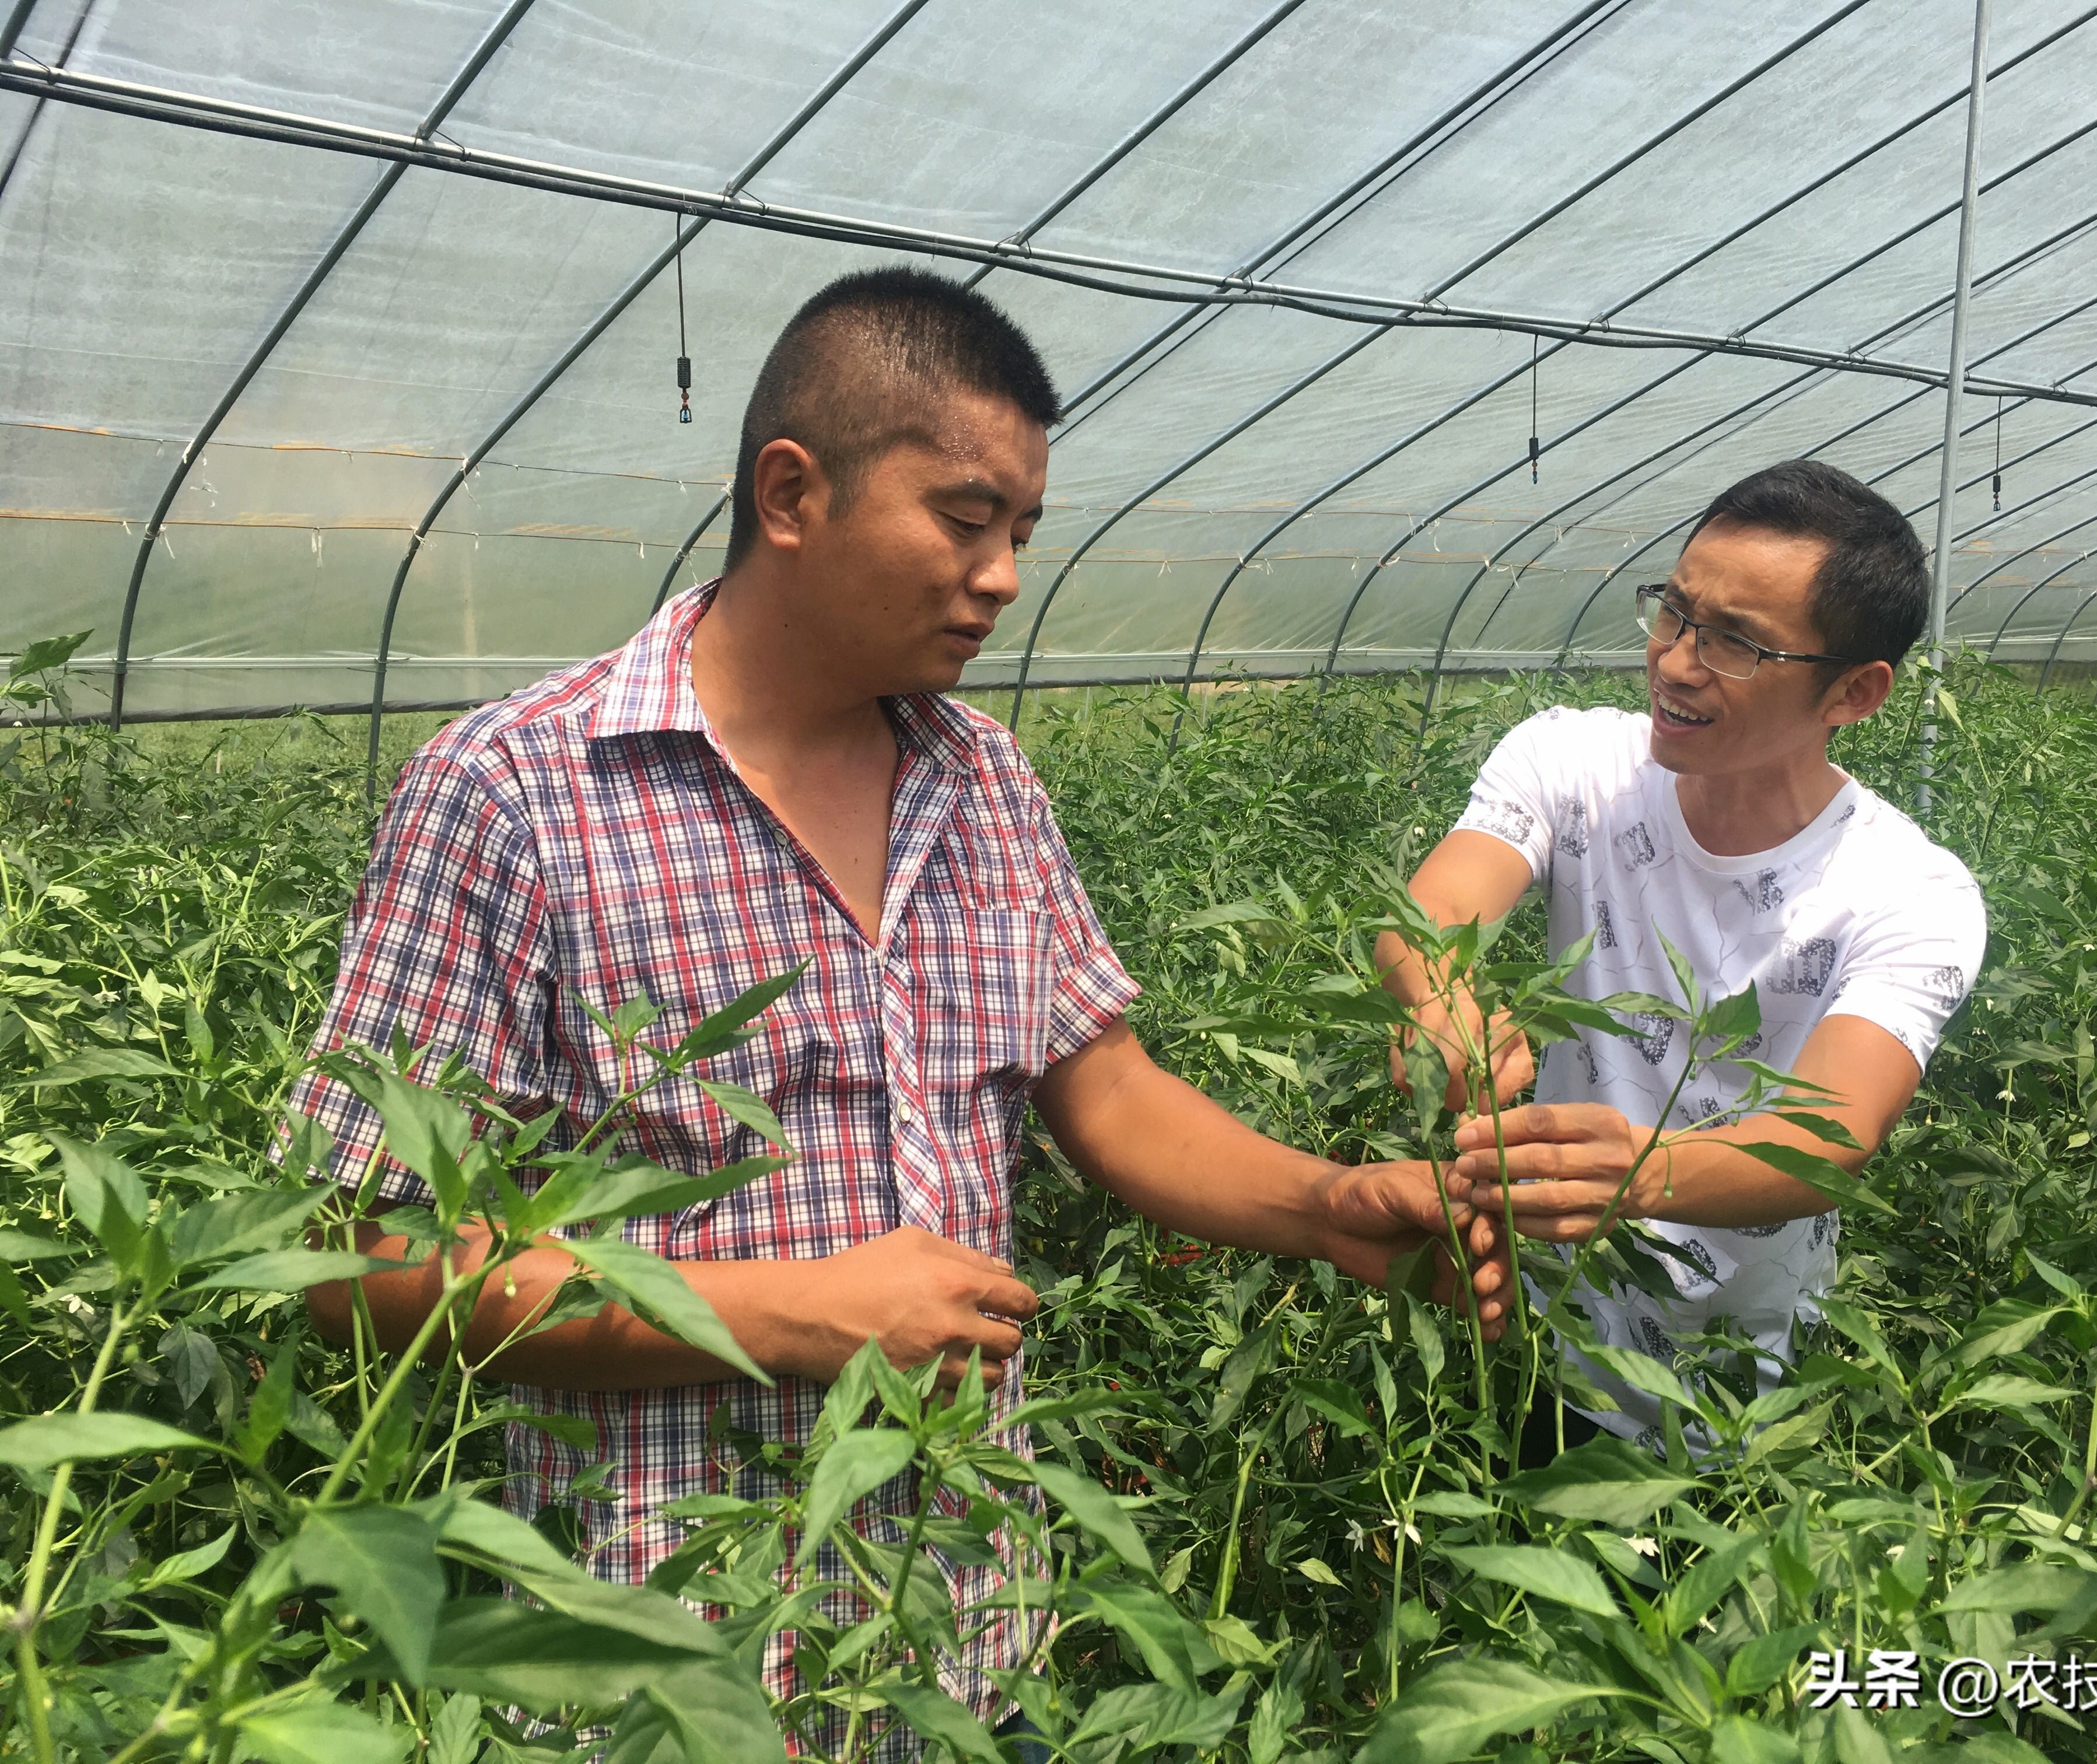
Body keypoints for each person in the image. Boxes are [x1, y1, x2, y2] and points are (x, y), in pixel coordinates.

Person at [295, 267, 1504, 1751]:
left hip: (955, 1627)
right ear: (792, 494)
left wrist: (1329, 1206)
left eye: (1023, 534)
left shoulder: (983, 780)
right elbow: (361, 1263)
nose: (1002, 574)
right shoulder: (518, 794)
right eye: (964, 517)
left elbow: (1105, 1088)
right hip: (657, 1650)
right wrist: (785, 1312)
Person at [1378, 459, 1985, 1461]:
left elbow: (1829, 1136)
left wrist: (1645, 1172)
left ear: (1856, 691)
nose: (1677, 661)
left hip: (1738, 1375)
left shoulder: (1911, 892)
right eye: (1675, 612)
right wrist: (1441, 1002)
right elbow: (1431, 911)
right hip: (1540, 1320)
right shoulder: (1571, 763)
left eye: (1737, 644)